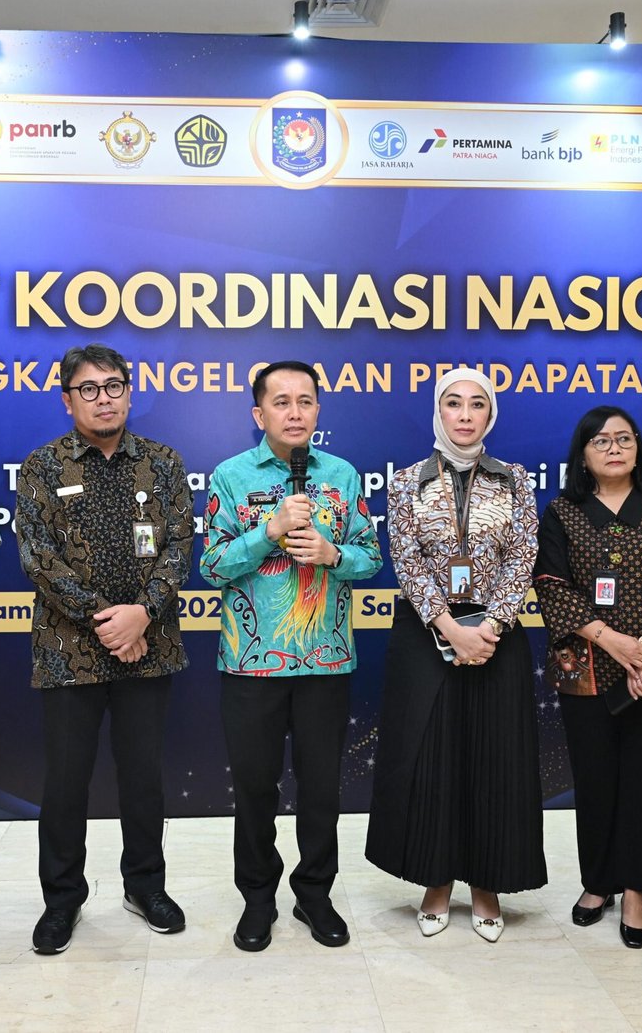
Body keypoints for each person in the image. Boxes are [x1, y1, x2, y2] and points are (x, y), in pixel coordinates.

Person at [15, 344, 193, 956]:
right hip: (68, 651)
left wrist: (142, 614)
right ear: (68, 401)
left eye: (113, 386)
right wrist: (108, 622)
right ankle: (62, 900)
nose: (103, 398)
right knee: (66, 783)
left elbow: (180, 546)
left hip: (150, 645)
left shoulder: (163, 463)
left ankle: (145, 886)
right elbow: (38, 558)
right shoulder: (41, 467)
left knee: (143, 778)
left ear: (129, 393)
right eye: (87, 389)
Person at [200, 361, 382, 952]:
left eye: (305, 401)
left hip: (326, 662)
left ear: (318, 411)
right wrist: (268, 531)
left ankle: (314, 894)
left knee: (321, 788)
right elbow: (211, 567)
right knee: (255, 787)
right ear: (260, 414)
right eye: (281, 402)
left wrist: (334, 554)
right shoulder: (231, 476)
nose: (295, 412)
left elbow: (371, 558)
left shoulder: (342, 475)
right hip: (251, 664)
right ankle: (258, 898)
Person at [365, 368, 546, 944]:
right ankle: (436, 881)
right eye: (453, 403)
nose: (465, 415)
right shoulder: (406, 482)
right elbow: (407, 560)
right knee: (432, 761)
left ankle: (487, 886)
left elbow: (524, 557)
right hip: (427, 634)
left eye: (476, 405)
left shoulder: (515, 480)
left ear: (490, 415)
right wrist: (449, 628)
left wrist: (488, 627)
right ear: (438, 412)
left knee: (495, 761)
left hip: (497, 637)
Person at [533, 405, 642, 950]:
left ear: (638, 448)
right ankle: (599, 881)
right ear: (582, 454)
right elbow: (551, 584)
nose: (614, 448)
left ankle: (637, 890)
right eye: (601, 441)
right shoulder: (562, 511)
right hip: (587, 668)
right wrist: (614, 643)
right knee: (597, 778)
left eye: (624, 439)